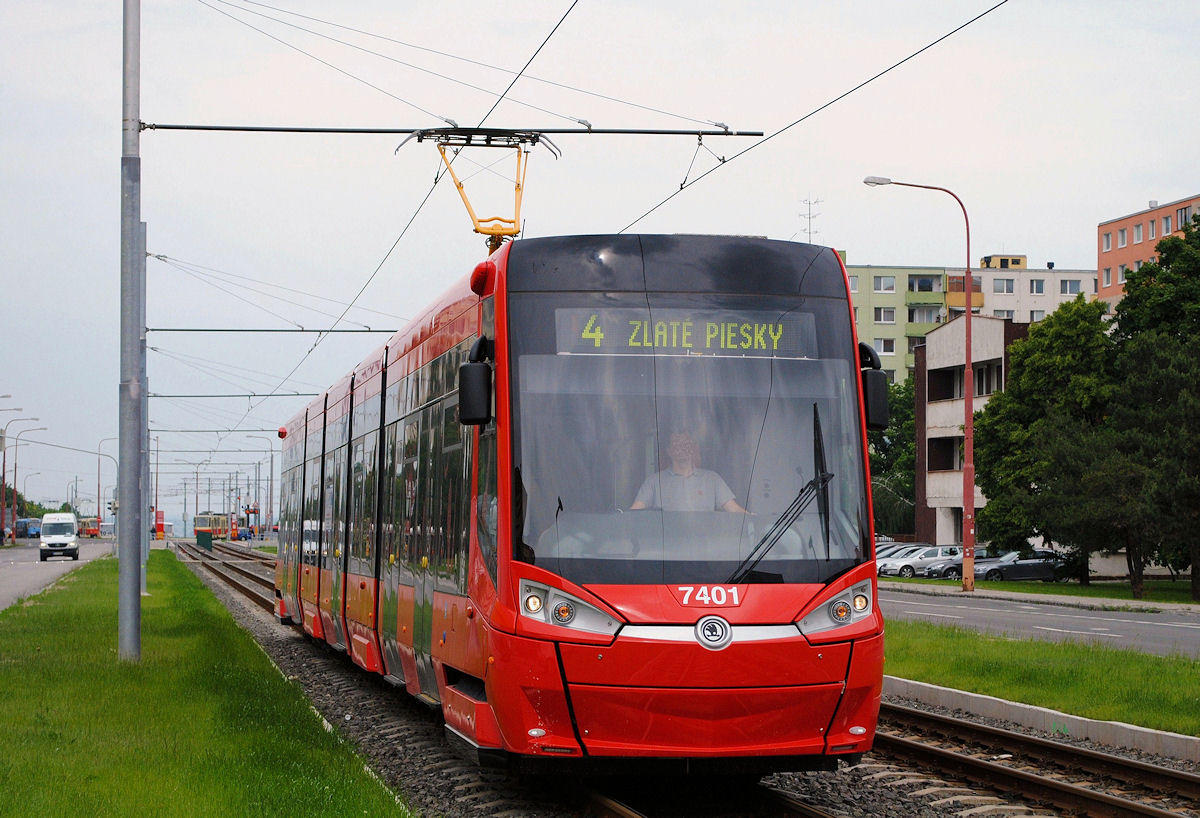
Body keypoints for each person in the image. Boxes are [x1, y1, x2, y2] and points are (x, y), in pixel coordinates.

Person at [630, 431, 747, 513]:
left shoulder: (712, 479)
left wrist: (753, 519)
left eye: (686, 444)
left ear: (694, 448)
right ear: (669, 451)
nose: (682, 449)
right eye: (677, 444)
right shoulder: (653, 482)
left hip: (705, 547)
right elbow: (635, 512)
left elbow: (734, 509)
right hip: (665, 547)